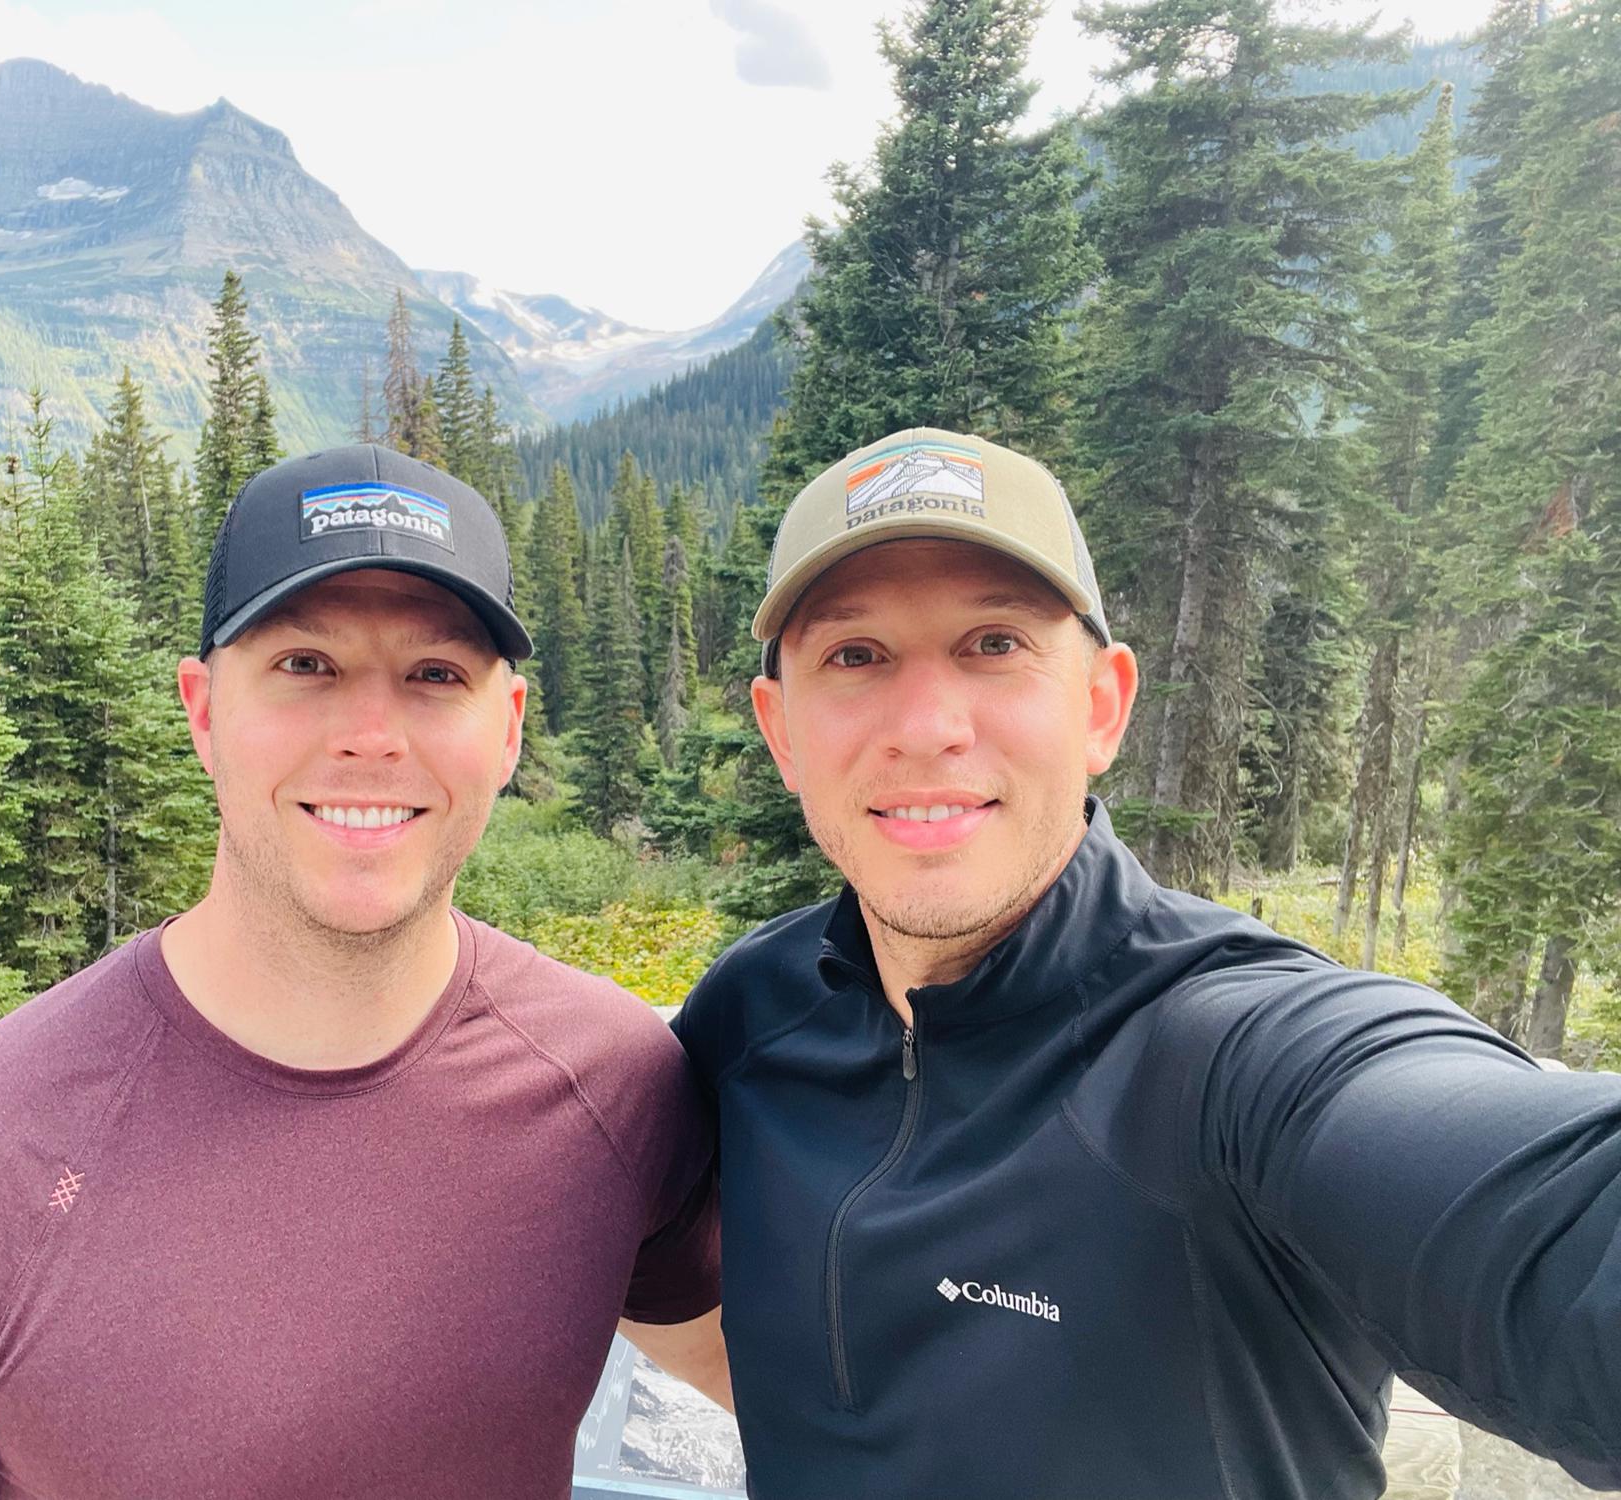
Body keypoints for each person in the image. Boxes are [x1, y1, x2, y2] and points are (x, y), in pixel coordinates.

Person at [0, 444, 727, 1500]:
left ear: (509, 729)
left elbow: (814, 1389)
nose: (370, 736)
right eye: (305, 665)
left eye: (434, 675)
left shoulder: (615, 1087)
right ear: (203, 709)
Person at [672, 427, 1621, 1499]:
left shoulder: (1232, 1053)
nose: (927, 727)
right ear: (780, 732)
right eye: (854, 656)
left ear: (1100, 706)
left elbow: (1542, 1218)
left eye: (993, 644)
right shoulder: (748, 1016)